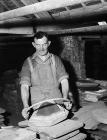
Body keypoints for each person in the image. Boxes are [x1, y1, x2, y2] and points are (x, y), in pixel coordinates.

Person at [20, 31, 72, 119]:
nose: (41, 48)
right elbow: (24, 86)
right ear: (33, 44)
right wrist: (25, 105)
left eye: (44, 44)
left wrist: (65, 98)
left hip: (56, 100)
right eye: (38, 45)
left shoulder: (56, 60)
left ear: (49, 43)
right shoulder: (28, 62)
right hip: (38, 103)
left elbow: (64, 81)